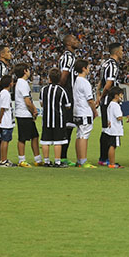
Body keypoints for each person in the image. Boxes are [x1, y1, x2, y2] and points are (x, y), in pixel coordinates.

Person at [98, 42, 123, 166]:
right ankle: (106, 158)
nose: (123, 53)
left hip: (104, 101)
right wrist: (102, 96)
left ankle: (103, 158)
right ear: (117, 52)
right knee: (110, 131)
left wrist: (98, 95)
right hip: (109, 101)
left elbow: (100, 82)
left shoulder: (105, 63)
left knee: (105, 130)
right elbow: (108, 84)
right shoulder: (113, 65)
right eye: (122, 51)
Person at [40, 68, 70, 168]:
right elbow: (68, 105)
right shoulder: (62, 91)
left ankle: (46, 161)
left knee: (45, 141)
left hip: (46, 120)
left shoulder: (43, 89)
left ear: (49, 78)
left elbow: (41, 103)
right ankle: (57, 162)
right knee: (58, 141)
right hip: (59, 121)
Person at [13, 63, 42, 167]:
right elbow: (27, 101)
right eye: (28, 69)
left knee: (35, 136)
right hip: (23, 114)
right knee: (23, 138)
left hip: (26, 114)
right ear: (25, 71)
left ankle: (38, 159)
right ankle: (22, 160)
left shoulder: (22, 83)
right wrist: (34, 110)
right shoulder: (22, 83)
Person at [58, 34, 80, 166]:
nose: (77, 41)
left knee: (69, 126)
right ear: (68, 43)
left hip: (70, 94)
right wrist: (61, 92)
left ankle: (62, 156)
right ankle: (61, 157)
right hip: (68, 95)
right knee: (67, 126)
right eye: (74, 40)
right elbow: (64, 75)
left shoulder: (71, 56)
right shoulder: (68, 56)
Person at [72, 59, 97, 168]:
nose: (89, 69)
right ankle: (83, 161)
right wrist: (95, 111)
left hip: (77, 111)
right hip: (85, 112)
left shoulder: (76, 81)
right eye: (88, 66)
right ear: (84, 68)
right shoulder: (84, 82)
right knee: (84, 136)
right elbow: (90, 100)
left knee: (79, 135)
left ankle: (79, 160)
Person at [0, 74, 15, 167]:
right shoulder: (5, 93)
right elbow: (3, 108)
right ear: (10, 83)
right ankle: (3, 160)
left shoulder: (3, 93)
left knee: (4, 140)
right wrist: (0, 119)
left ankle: (3, 159)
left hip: (6, 121)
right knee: (5, 141)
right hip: (6, 121)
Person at [104, 86, 125, 169]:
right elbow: (119, 117)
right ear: (116, 96)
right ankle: (112, 163)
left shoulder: (110, 105)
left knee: (111, 145)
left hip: (111, 129)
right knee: (113, 146)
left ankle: (111, 161)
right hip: (115, 129)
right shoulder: (115, 105)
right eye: (121, 95)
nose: (122, 97)